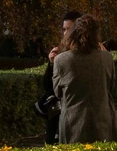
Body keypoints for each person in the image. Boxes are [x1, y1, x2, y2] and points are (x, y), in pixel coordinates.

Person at [52, 15, 117, 144]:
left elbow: (58, 92)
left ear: (73, 34)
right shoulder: (106, 57)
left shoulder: (61, 60)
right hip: (102, 119)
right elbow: (111, 87)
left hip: (73, 122)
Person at [35, 10, 84, 143]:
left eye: (69, 29)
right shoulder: (61, 52)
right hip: (56, 113)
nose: (65, 33)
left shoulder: (87, 54)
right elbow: (47, 85)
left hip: (75, 113)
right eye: (64, 29)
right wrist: (51, 64)